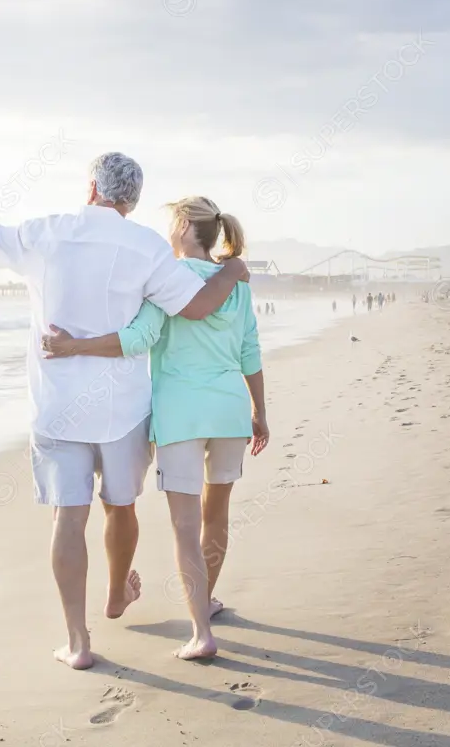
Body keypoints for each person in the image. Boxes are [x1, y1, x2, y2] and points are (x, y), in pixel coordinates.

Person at [0, 153, 249, 670]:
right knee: (121, 507)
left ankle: (77, 644)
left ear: (91, 186)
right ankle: (118, 592)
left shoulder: (46, 232)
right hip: (122, 409)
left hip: (56, 407)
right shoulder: (145, 245)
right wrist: (232, 271)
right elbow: (195, 307)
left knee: (67, 517)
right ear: (133, 200)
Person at [42, 196, 269, 661]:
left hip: (181, 416)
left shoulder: (168, 280)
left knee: (185, 526)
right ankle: (204, 602)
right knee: (216, 517)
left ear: (184, 226)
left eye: (171, 222)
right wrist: (259, 411)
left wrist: (73, 347)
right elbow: (250, 351)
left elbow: (138, 339)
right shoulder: (238, 286)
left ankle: (202, 633)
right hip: (229, 413)